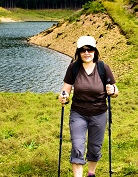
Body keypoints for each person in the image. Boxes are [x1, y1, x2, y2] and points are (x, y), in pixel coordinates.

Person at [58, 35, 119, 177]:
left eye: (90, 49)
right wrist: (63, 97)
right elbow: (65, 89)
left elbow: (115, 91)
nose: (86, 53)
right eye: (83, 50)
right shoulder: (74, 68)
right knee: (78, 146)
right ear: (78, 52)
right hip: (78, 113)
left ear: (95, 51)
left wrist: (113, 91)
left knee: (95, 148)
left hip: (99, 113)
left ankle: (91, 174)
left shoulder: (103, 67)